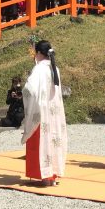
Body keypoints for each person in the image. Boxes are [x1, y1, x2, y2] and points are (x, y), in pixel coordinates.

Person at [21, 39, 67, 186]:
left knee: (43, 142)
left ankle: (45, 176)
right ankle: (52, 175)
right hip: (55, 112)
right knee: (54, 142)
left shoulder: (39, 69)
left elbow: (30, 89)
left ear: (39, 53)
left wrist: (25, 95)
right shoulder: (55, 68)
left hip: (42, 112)